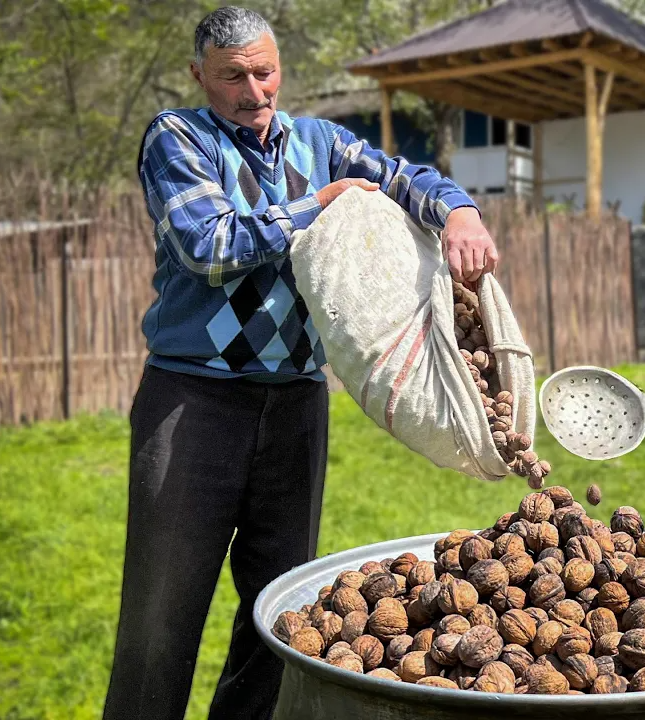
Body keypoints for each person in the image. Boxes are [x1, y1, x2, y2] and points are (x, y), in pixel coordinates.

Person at [101, 7, 498, 719]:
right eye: (233, 76)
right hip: (193, 402)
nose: (254, 90)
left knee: (279, 614)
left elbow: (403, 176)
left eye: (265, 71)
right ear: (200, 76)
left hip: (295, 404)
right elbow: (211, 245)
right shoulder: (178, 136)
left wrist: (459, 211)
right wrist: (317, 206)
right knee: (161, 620)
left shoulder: (318, 141)